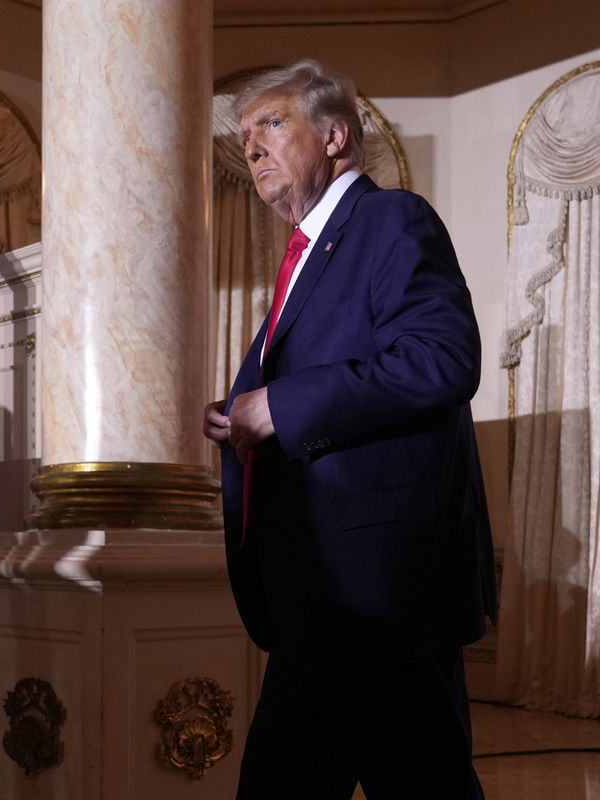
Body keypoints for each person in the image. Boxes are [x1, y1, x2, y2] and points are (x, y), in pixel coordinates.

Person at [203, 59, 497, 799]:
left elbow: (441, 359)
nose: (253, 146)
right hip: (327, 599)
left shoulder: (390, 219)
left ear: (335, 136)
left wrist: (277, 408)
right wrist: (242, 417)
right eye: (245, 135)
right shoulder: (303, 258)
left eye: (271, 123)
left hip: (378, 597)